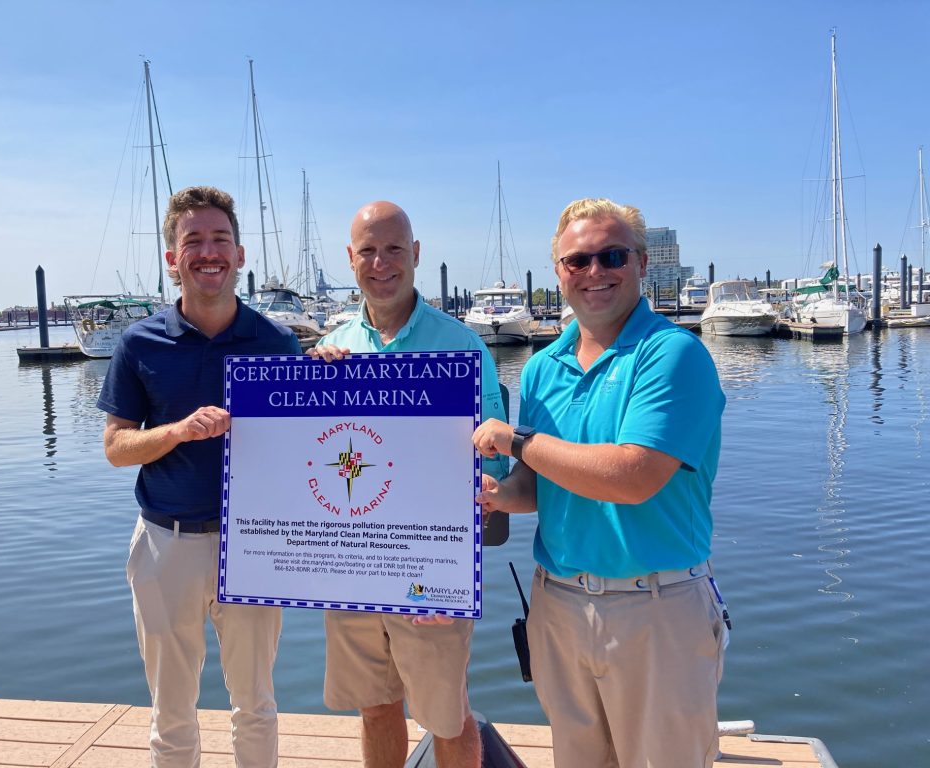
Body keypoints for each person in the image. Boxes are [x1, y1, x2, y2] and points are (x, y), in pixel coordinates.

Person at [472, 197, 728, 768]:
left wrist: (516, 440)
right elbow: (538, 484)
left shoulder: (673, 354)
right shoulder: (542, 367)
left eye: (611, 256)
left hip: (655, 608)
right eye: (576, 260)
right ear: (558, 271)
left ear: (640, 262)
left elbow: (633, 476)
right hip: (557, 604)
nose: (594, 272)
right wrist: (490, 495)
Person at [98, 186, 302, 768]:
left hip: (255, 543)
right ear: (172, 258)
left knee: (257, 706)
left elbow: (308, 442)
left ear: (240, 255)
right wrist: (177, 432)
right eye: (193, 241)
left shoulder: (278, 341)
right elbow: (115, 448)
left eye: (220, 240)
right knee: (171, 712)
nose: (207, 252)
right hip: (167, 543)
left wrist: (325, 375)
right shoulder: (140, 343)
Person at [310, 201, 508, 768]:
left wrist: (449, 553)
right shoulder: (334, 346)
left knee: (447, 717)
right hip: (349, 565)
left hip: (429, 571)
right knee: (374, 707)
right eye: (368, 250)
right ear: (350, 259)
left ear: (416, 254)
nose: (381, 262)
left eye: (394, 248)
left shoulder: (462, 347)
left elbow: (492, 462)